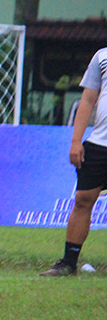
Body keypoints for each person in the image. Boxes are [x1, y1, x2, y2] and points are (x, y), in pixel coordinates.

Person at [41, 48, 107, 276]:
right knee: (82, 200)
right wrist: (76, 141)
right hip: (100, 143)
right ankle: (68, 263)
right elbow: (88, 100)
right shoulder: (102, 56)